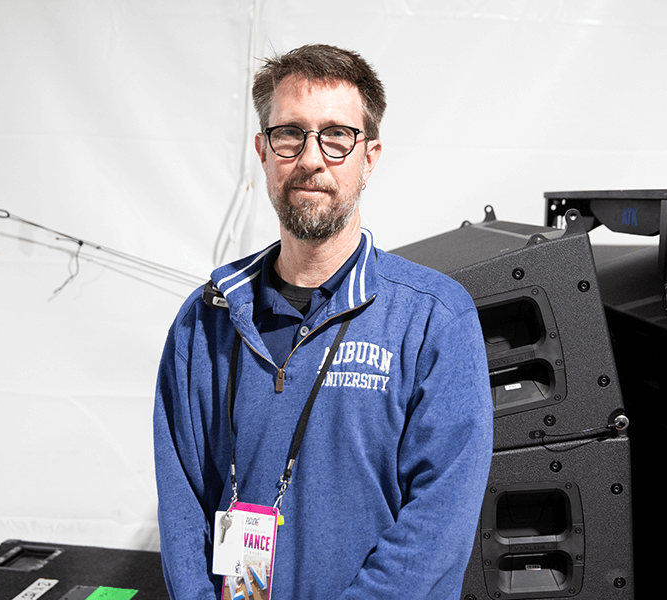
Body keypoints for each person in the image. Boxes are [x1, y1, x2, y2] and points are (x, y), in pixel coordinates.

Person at [153, 43, 493, 600]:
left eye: (336, 136)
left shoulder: (434, 319)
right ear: (263, 151)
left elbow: (437, 526)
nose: (312, 158)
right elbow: (181, 504)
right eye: (291, 134)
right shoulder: (205, 320)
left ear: (370, 157)